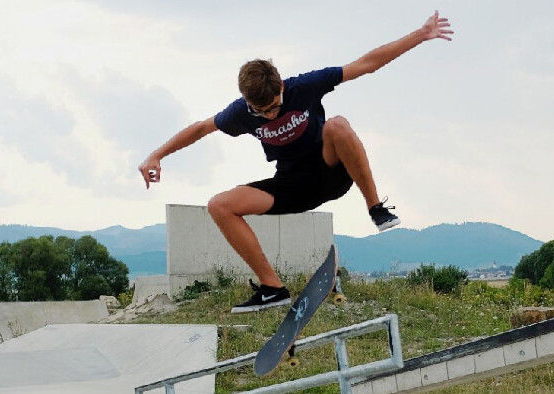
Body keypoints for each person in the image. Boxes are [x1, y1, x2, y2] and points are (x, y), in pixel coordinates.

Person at [139, 11, 453, 313]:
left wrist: (421, 35)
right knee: (219, 205)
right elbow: (201, 128)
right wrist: (156, 154)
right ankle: (272, 288)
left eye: (274, 107)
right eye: (262, 113)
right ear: (249, 103)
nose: (270, 115)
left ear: (282, 88)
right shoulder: (240, 112)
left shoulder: (305, 86)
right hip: (291, 184)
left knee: (338, 125)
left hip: (330, 170)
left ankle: (376, 208)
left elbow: (366, 64)